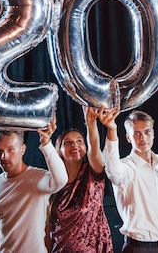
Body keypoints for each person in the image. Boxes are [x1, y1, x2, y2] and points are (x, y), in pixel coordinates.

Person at [0, 116, 68, 253]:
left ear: (22, 149)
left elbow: (61, 180)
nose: (3, 157)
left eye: (10, 149)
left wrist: (46, 143)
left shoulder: (39, 178)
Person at [103, 109, 158, 252]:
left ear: (153, 133)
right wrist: (112, 130)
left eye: (147, 131)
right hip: (138, 247)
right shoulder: (125, 167)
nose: (143, 137)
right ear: (128, 138)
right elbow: (112, 171)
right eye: (136, 134)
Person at [46, 106, 114, 252]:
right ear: (60, 151)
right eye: (68, 143)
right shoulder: (53, 183)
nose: (74, 145)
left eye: (79, 141)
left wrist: (90, 123)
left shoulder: (92, 174)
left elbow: (95, 152)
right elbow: (48, 230)